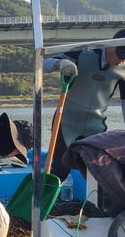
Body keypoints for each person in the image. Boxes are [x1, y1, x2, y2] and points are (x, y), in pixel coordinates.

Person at [43, 28, 125, 180]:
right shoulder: (83, 52)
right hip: (65, 121)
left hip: (96, 124)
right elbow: (44, 64)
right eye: (121, 55)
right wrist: (61, 63)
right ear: (110, 46)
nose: (122, 61)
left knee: (100, 172)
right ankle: (45, 194)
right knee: (59, 169)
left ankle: (97, 197)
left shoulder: (124, 69)